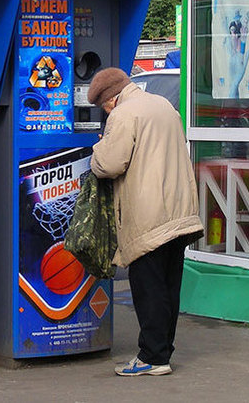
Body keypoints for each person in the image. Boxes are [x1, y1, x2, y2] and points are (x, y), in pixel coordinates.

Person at [87, 67, 203, 377]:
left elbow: (109, 165)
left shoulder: (123, 115)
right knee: (168, 287)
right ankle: (162, 352)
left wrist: (98, 147)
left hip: (149, 215)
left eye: (104, 107)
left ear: (110, 100)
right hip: (178, 211)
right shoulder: (163, 105)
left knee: (148, 288)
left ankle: (152, 356)